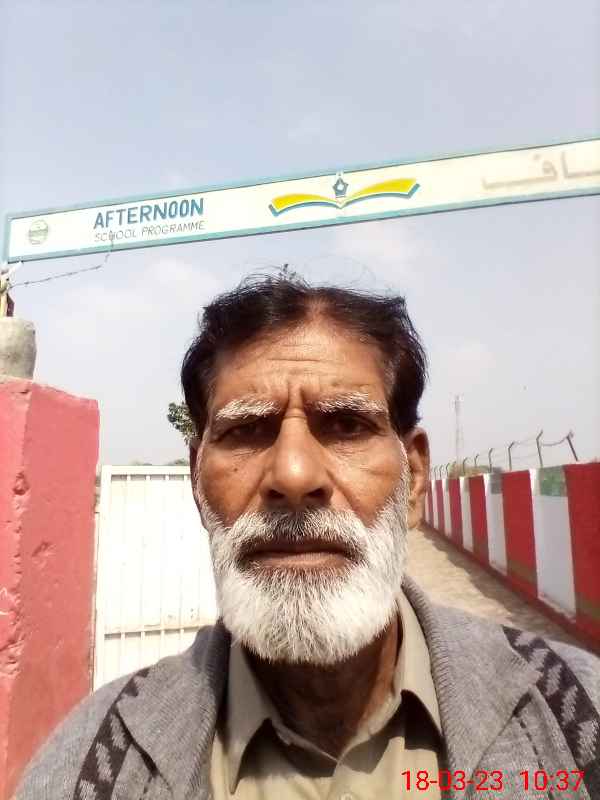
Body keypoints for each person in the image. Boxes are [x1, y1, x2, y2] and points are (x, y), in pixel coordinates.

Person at [15, 274, 600, 799]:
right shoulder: (90, 764)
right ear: (197, 481)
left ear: (415, 479)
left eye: (346, 425)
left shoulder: (577, 717)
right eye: (247, 430)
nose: (293, 477)